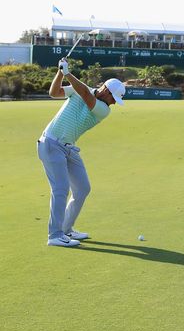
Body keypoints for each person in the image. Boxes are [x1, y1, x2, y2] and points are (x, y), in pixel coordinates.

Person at [38, 58, 126, 247]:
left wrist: (68, 73)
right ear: (105, 90)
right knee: (61, 189)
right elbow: (54, 93)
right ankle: (54, 235)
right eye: (113, 98)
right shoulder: (81, 90)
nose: (114, 103)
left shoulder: (103, 110)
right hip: (51, 143)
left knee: (83, 188)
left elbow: (86, 94)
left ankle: (66, 229)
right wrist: (61, 73)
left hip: (68, 148)